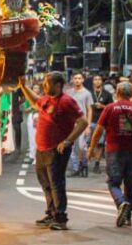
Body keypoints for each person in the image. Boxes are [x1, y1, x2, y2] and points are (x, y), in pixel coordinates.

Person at [19, 72, 89, 231]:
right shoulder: (47, 99)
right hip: (42, 149)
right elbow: (35, 101)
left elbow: (83, 122)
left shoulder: (66, 101)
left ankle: (60, 218)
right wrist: (23, 87)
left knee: (56, 184)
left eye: (47, 83)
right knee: (46, 184)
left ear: (58, 85)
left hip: (56, 150)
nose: (44, 86)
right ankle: (51, 213)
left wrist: (68, 141)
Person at [87, 82, 132, 227]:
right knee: (131, 185)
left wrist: (91, 148)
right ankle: (128, 216)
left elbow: (98, 130)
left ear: (117, 93)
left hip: (115, 151)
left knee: (113, 182)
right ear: (131, 94)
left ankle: (121, 202)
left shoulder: (110, 108)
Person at [63, 73, 94, 177]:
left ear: (83, 80)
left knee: (82, 147)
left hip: (82, 124)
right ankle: (75, 168)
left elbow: (89, 110)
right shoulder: (68, 93)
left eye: (79, 78)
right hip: (70, 124)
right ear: (72, 80)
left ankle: (83, 164)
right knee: (70, 146)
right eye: (75, 78)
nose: (77, 80)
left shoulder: (87, 93)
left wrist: (88, 125)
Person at [88, 74, 113, 173]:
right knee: (88, 143)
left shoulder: (107, 94)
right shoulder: (89, 93)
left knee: (99, 144)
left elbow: (111, 108)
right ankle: (86, 162)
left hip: (102, 122)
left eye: (99, 79)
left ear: (102, 81)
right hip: (90, 121)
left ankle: (97, 164)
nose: (97, 81)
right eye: (95, 79)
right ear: (93, 81)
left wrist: (102, 106)